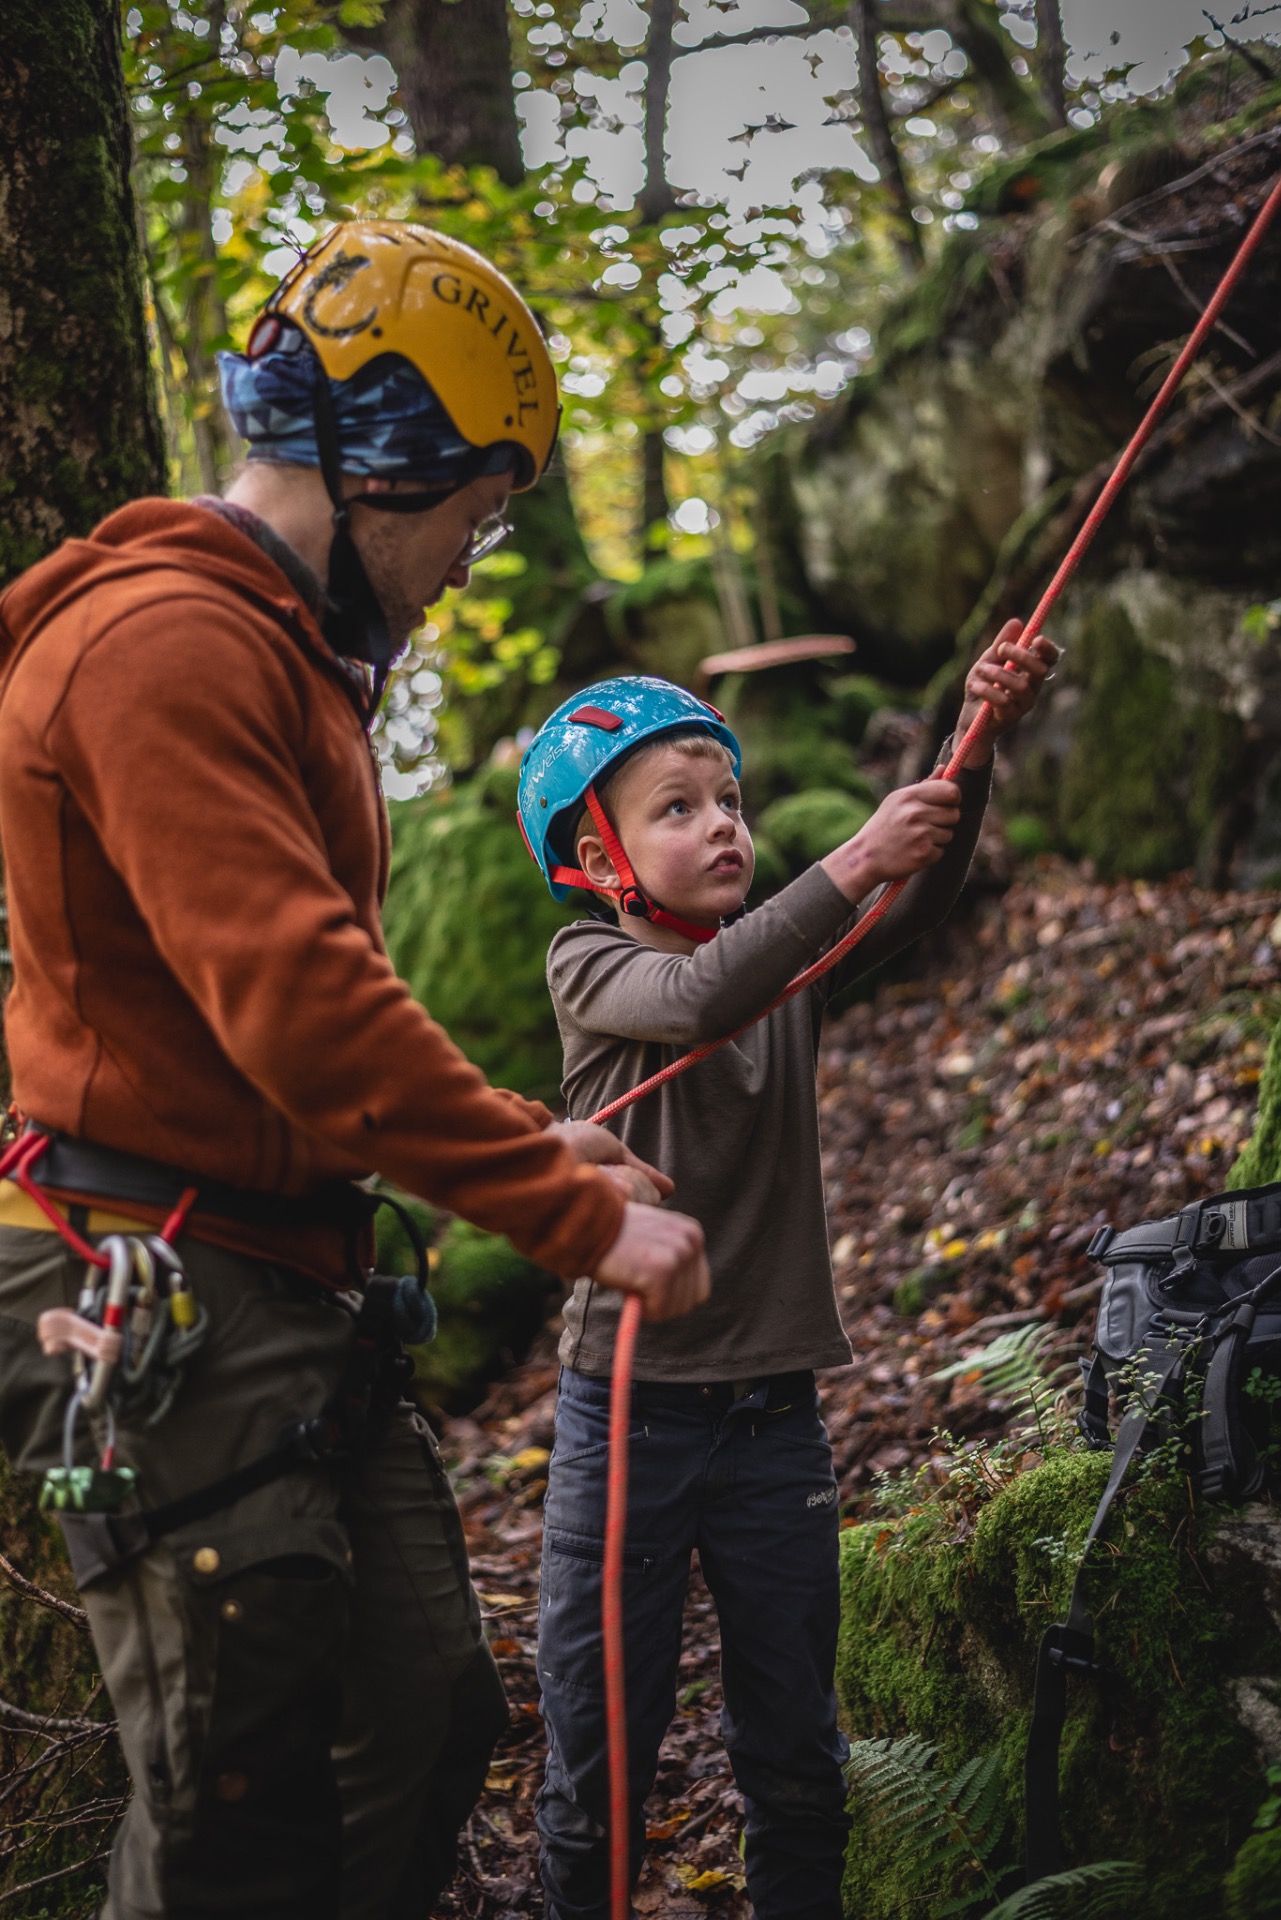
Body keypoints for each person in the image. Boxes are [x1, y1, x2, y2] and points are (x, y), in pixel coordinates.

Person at [0, 220, 709, 1920]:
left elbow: (287, 1017)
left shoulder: (278, 655)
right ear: (384, 461)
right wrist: (556, 1208)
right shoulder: (164, 644)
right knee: (231, 1810)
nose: (474, 550)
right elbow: (291, 996)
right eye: (478, 504)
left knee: (421, 1711)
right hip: (157, 1279)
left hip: (279, 1274)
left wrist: (524, 1135)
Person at [516, 629, 1055, 1920]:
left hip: (772, 1417)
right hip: (628, 1416)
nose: (723, 825)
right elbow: (701, 997)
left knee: (798, 1754)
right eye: (678, 808)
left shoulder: (785, 960)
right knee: (601, 1763)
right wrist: (855, 854)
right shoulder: (592, 965)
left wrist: (970, 748)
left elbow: (912, 904)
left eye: (731, 801)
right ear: (596, 858)